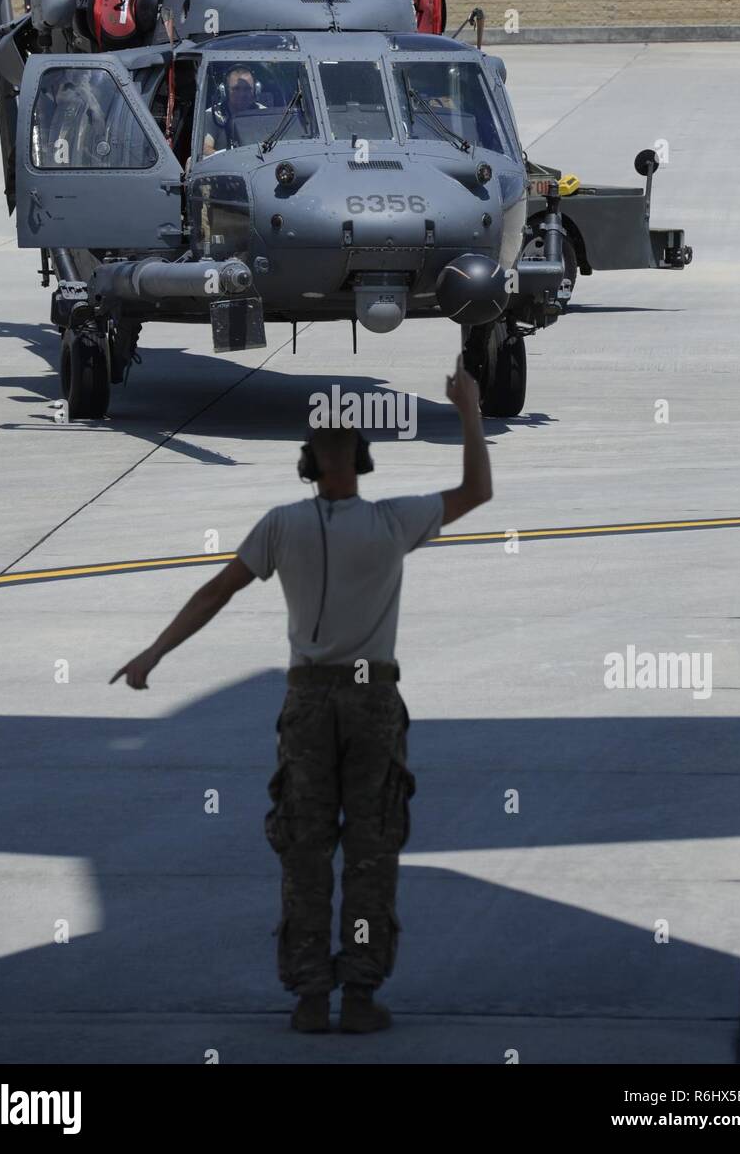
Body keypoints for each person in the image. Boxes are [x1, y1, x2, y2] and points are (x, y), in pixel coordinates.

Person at [111, 357, 492, 1034]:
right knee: (371, 854)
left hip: (308, 701)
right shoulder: (392, 523)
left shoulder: (280, 525)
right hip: (373, 701)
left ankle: (311, 996)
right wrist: (468, 410)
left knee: (305, 853)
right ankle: (360, 995)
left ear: (306, 467)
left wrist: (155, 651)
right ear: (363, 463)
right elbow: (476, 491)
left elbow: (216, 593)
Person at [202, 64, 267, 156]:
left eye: (247, 89)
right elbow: (205, 149)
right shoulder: (213, 115)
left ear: (256, 90)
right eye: (236, 89)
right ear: (224, 91)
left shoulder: (264, 114)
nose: (242, 94)